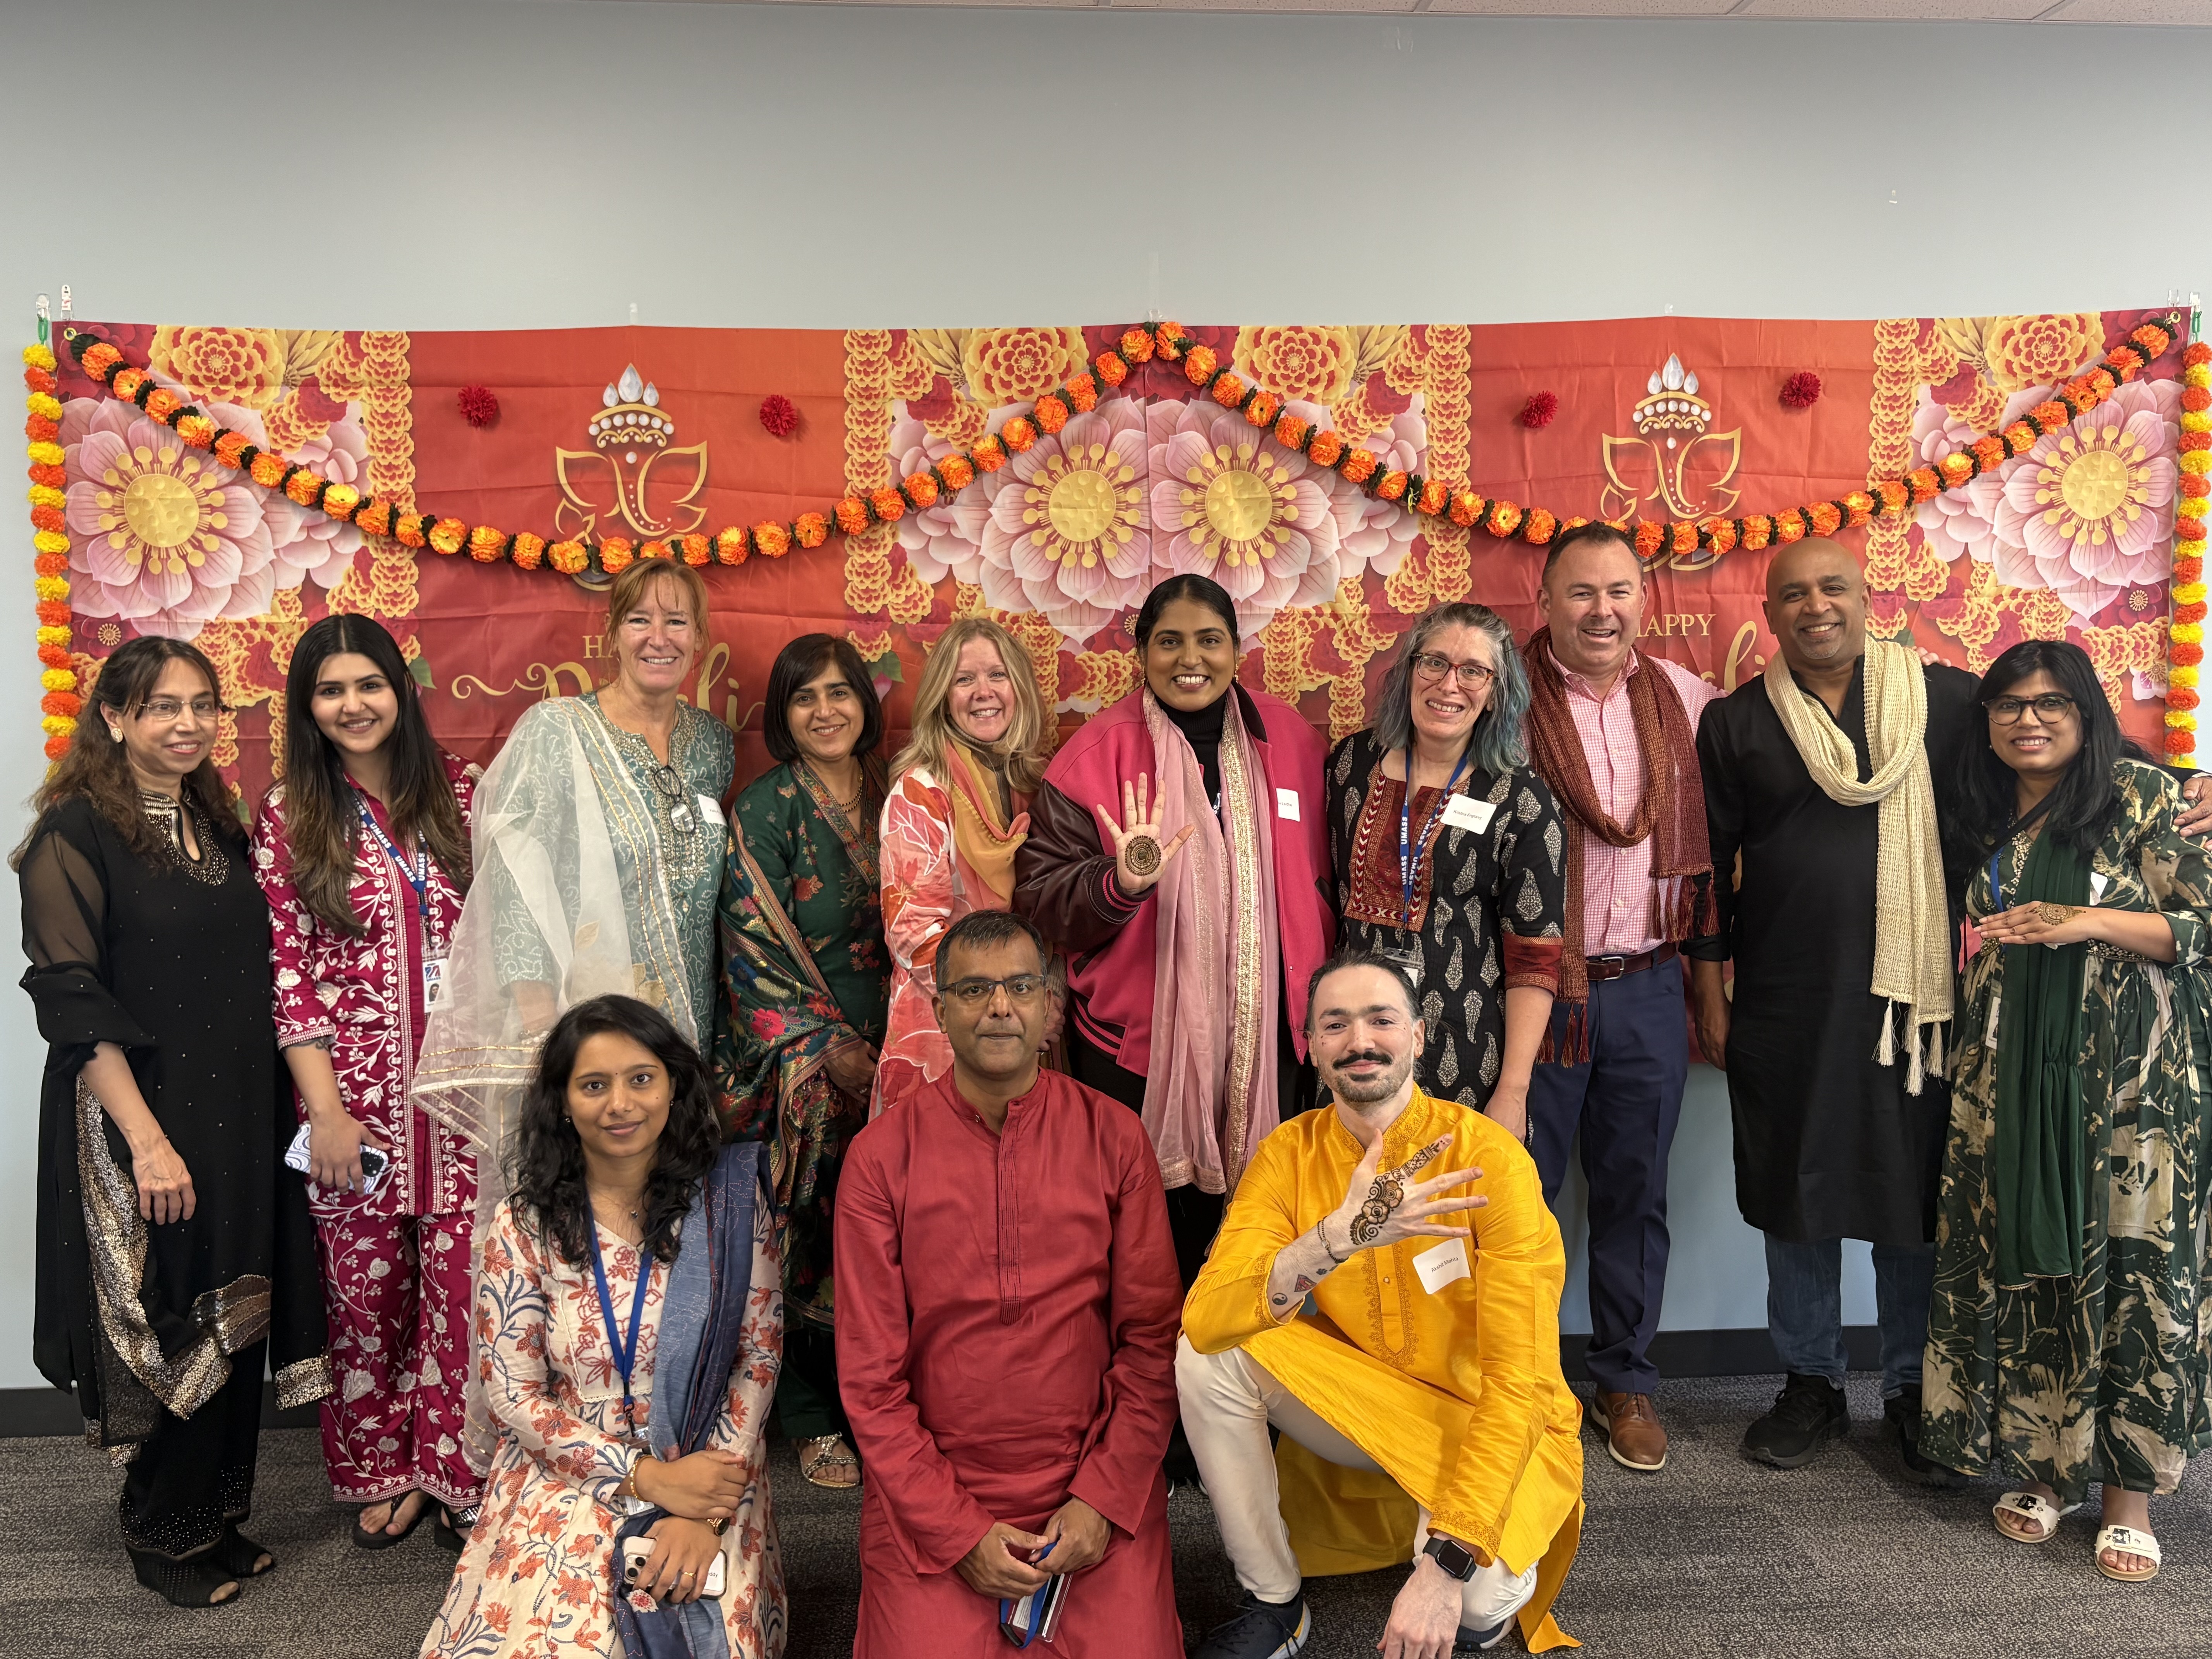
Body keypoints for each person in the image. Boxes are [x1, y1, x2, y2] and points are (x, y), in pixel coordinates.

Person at [16, 637, 328, 1607]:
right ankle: (160, 1530)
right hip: (143, 1112)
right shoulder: (75, 832)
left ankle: (216, 1516)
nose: (188, 724)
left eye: (202, 705)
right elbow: (71, 999)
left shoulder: (215, 824)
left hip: (235, 1107)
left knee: (236, 1305)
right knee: (169, 1313)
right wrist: (145, 1139)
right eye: (162, 707)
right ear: (114, 718)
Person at [1179, 950, 1583, 1659]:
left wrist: (1447, 1565)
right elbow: (1207, 1317)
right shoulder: (1287, 1154)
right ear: (1309, 1044)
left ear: (1419, 1035)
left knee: (1475, 1608)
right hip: (1367, 1405)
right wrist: (1332, 1238)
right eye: (1335, 1023)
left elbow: (1518, 1382)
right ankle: (1272, 1599)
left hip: (1485, 1418)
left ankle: (1441, 1535)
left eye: (1380, 1019)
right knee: (1208, 1353)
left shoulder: (1488, 1158)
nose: (1359, 1040)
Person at [1920, 641, 2212, 1584]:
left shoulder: (2149, 798)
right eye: (2007, 704)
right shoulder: (1976, 811)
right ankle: (2044, 1468)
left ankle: (2128, 1496)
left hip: (2129, 1093)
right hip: (2004, 1077)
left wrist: (2082, 920)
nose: (2027, 719)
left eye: (2050, 703)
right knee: (2018, 1251)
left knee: (2127, 1268)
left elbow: (2199, 929)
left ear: (2087, 712)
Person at [1690, 538, 1980, 1475]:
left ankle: (1909, 1389)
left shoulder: (1945, 702)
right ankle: (1810, 1382)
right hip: (1787, 1000)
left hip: (1918, 1006)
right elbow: (1709, 872)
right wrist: (1709, 986)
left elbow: (2055, 761)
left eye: (1834, 588)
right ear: (1768, 615)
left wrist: (2187, 788)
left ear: (1868, 598)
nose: (1816, 606)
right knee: (1796, 1193)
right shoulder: (1736, 724)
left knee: (1910, 1194)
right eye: (1794, 595)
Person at [833, 910, 1183, 1658]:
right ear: (939, 1009)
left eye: (1021, 985)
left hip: (1092, 1487)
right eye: (974, 989)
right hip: (933, 1495)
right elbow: (869, 1381)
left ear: (1051, 1006)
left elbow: (1152, 1343)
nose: (1000, 1006)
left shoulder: (1115, 1136)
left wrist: (1100, 1499)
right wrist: (956, 1530)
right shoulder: (879, 1157)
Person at [421, 994, 785, 1659]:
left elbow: (757, 1355)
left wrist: (700, 1507)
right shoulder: (524, 1224)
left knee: (699, 1630)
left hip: (707, 1461)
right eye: (594, 1084)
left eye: (641, 1078)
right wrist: (644, 1477)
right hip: (569, 1462)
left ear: (674, 1084)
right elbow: (514, 1394)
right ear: (562, 1100)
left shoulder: (728, 1205)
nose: (621, 1103)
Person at [1015, 573, 1334, 1289]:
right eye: (1169, 641)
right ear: (1140, 653)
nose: (1190, 658)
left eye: (1209, 639)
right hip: (1137, 1054)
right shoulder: (1094, 754)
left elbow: (1328, 878)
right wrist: (1118, 883)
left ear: (1237, 651)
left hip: (1273, 1040)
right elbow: (1038, 900)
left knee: (1262, 1229)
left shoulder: (1293, 741)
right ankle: (1155, 1389)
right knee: (1149, 1238)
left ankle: (1241, 1378)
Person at [253, 615, 485, 1551]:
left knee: (468, 1292)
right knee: (366, 1297)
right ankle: (384, 1468)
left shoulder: (462, 794)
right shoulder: (291, 814)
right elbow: (291, 975)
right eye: (331, 690)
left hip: (464, 1098)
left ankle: (457, 1470)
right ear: (308, 707)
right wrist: (328, 1112)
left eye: (369, 685)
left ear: (401, 689)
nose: (354, 705)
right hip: (357, 1105)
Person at [1520, 523, 1719, 1474]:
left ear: (1644, 600)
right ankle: (1514, 1380)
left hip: (1646, 985)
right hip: (1532, 991)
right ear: (1545, 604)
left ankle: (1625, 1378)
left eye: (1619, 592)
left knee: (1637, 1194)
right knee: (1520, 1197)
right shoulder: (1501, 699)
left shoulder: (1688, 702)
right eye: (1581, 593)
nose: (1603, 610)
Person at [718, 632, 888, 1491]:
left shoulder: (903, 791)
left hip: (916, 1052)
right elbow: (749, 951)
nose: (826, 711)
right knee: (813, 1235)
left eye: (840, 693)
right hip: (807, 1069)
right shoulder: (767, 808)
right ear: (782, 717)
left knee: (895, 1237)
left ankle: (887, 1409)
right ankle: (813, 1419)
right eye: (804, 697)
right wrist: (833, 1051)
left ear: (865, 701)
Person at [1325, 602, 1566, 1127]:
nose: (1449, 685)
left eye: (1474, 671)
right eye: (1435, 663)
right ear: (1410, 670)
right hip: (1350, 1051)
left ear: (1497, 693)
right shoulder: (1350, 765)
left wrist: (1514, 1091)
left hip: (1464, 1056)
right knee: (1347, 1202)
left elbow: (1535, 959)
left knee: (1450, 1207)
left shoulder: (1522, 802)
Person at [874, 617, 1051, 1115]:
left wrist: (1040, 998)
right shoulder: (921, 792)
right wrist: (1012, 1002)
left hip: (1023, 1029)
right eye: (964, 679)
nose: (983, 692)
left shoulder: (1031, 786)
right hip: (945, 1028)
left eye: (997, 675)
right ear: (941, 696)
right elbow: (913, 934)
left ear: (1019, 687)